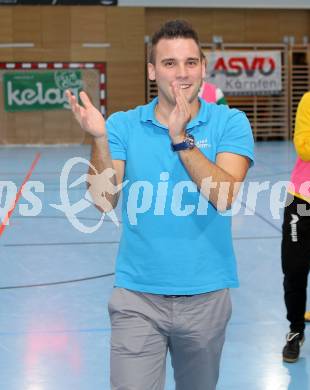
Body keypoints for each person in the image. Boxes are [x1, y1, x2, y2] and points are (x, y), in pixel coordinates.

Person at [66, 19, 254, 390]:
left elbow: (224, 195)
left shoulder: (230, 122)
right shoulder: (122, 126)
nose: (181, 74)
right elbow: (104, 201)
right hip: (137, 297)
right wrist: (101, 139)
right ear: (152, 71)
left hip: (206, 297)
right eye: (169, 63)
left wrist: (181, 139)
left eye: (190, 62)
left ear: (203, 67)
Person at [282, 92, 310, 363]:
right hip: (302, 201)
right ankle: (295, 331)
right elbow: (304, 147)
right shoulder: (308, 101)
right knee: (294, 270)